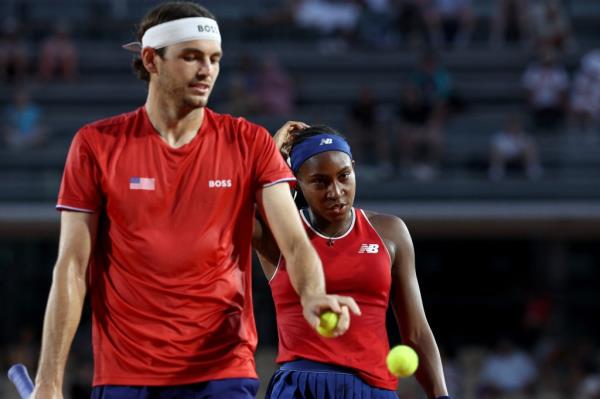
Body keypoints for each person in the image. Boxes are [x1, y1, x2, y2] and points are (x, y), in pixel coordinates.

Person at [30, 3, 358, 399]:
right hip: (125, 374)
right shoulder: (95, 145)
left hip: (222, 370)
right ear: (151, 59)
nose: (207, 71)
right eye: (191, 57)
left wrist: (314, 294)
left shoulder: (249, 141)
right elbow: (71, 266)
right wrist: (48, 380)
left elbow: (293, 242)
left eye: (214, 58)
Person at [253, 124, 451, 399]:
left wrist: (441, 395)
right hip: (301, 388)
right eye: (320, 182)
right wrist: (272, 151)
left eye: (344, 176)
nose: (336, 191)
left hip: (372, 389)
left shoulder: (390, 232)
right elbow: (229, 202)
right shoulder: (277, 233)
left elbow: (416, 331)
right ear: (296, 181)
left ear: (354, 169)